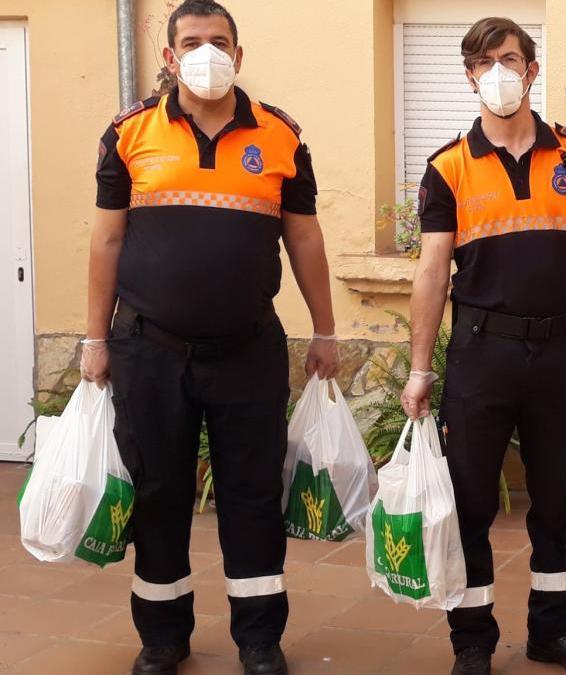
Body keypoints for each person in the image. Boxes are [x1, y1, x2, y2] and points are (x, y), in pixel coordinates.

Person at [82, 2, 338, 674]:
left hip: (248, 348)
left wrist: (327, 329)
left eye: (219, 41)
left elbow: (304, 238)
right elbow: (107, 237)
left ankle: (259, 638)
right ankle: (163, 636)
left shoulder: (281, 136)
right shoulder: (129, 132)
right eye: (191, 42)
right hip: (147, 347)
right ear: (169, 57)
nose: (206, 52)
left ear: (240, 54)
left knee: (252, 496)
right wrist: (93, 339)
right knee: (158, 492)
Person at [400, 17, 566, 675]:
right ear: (469, 75)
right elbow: (431, 270)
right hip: (481, 352)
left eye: (510, 59)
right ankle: (471, 640)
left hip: (559, 350)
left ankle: (552, 630)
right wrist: (421, 369)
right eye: (483, 62)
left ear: (533, 70)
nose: (497, 72)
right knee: (471, 498)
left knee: (555, 497)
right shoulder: (448, 165)